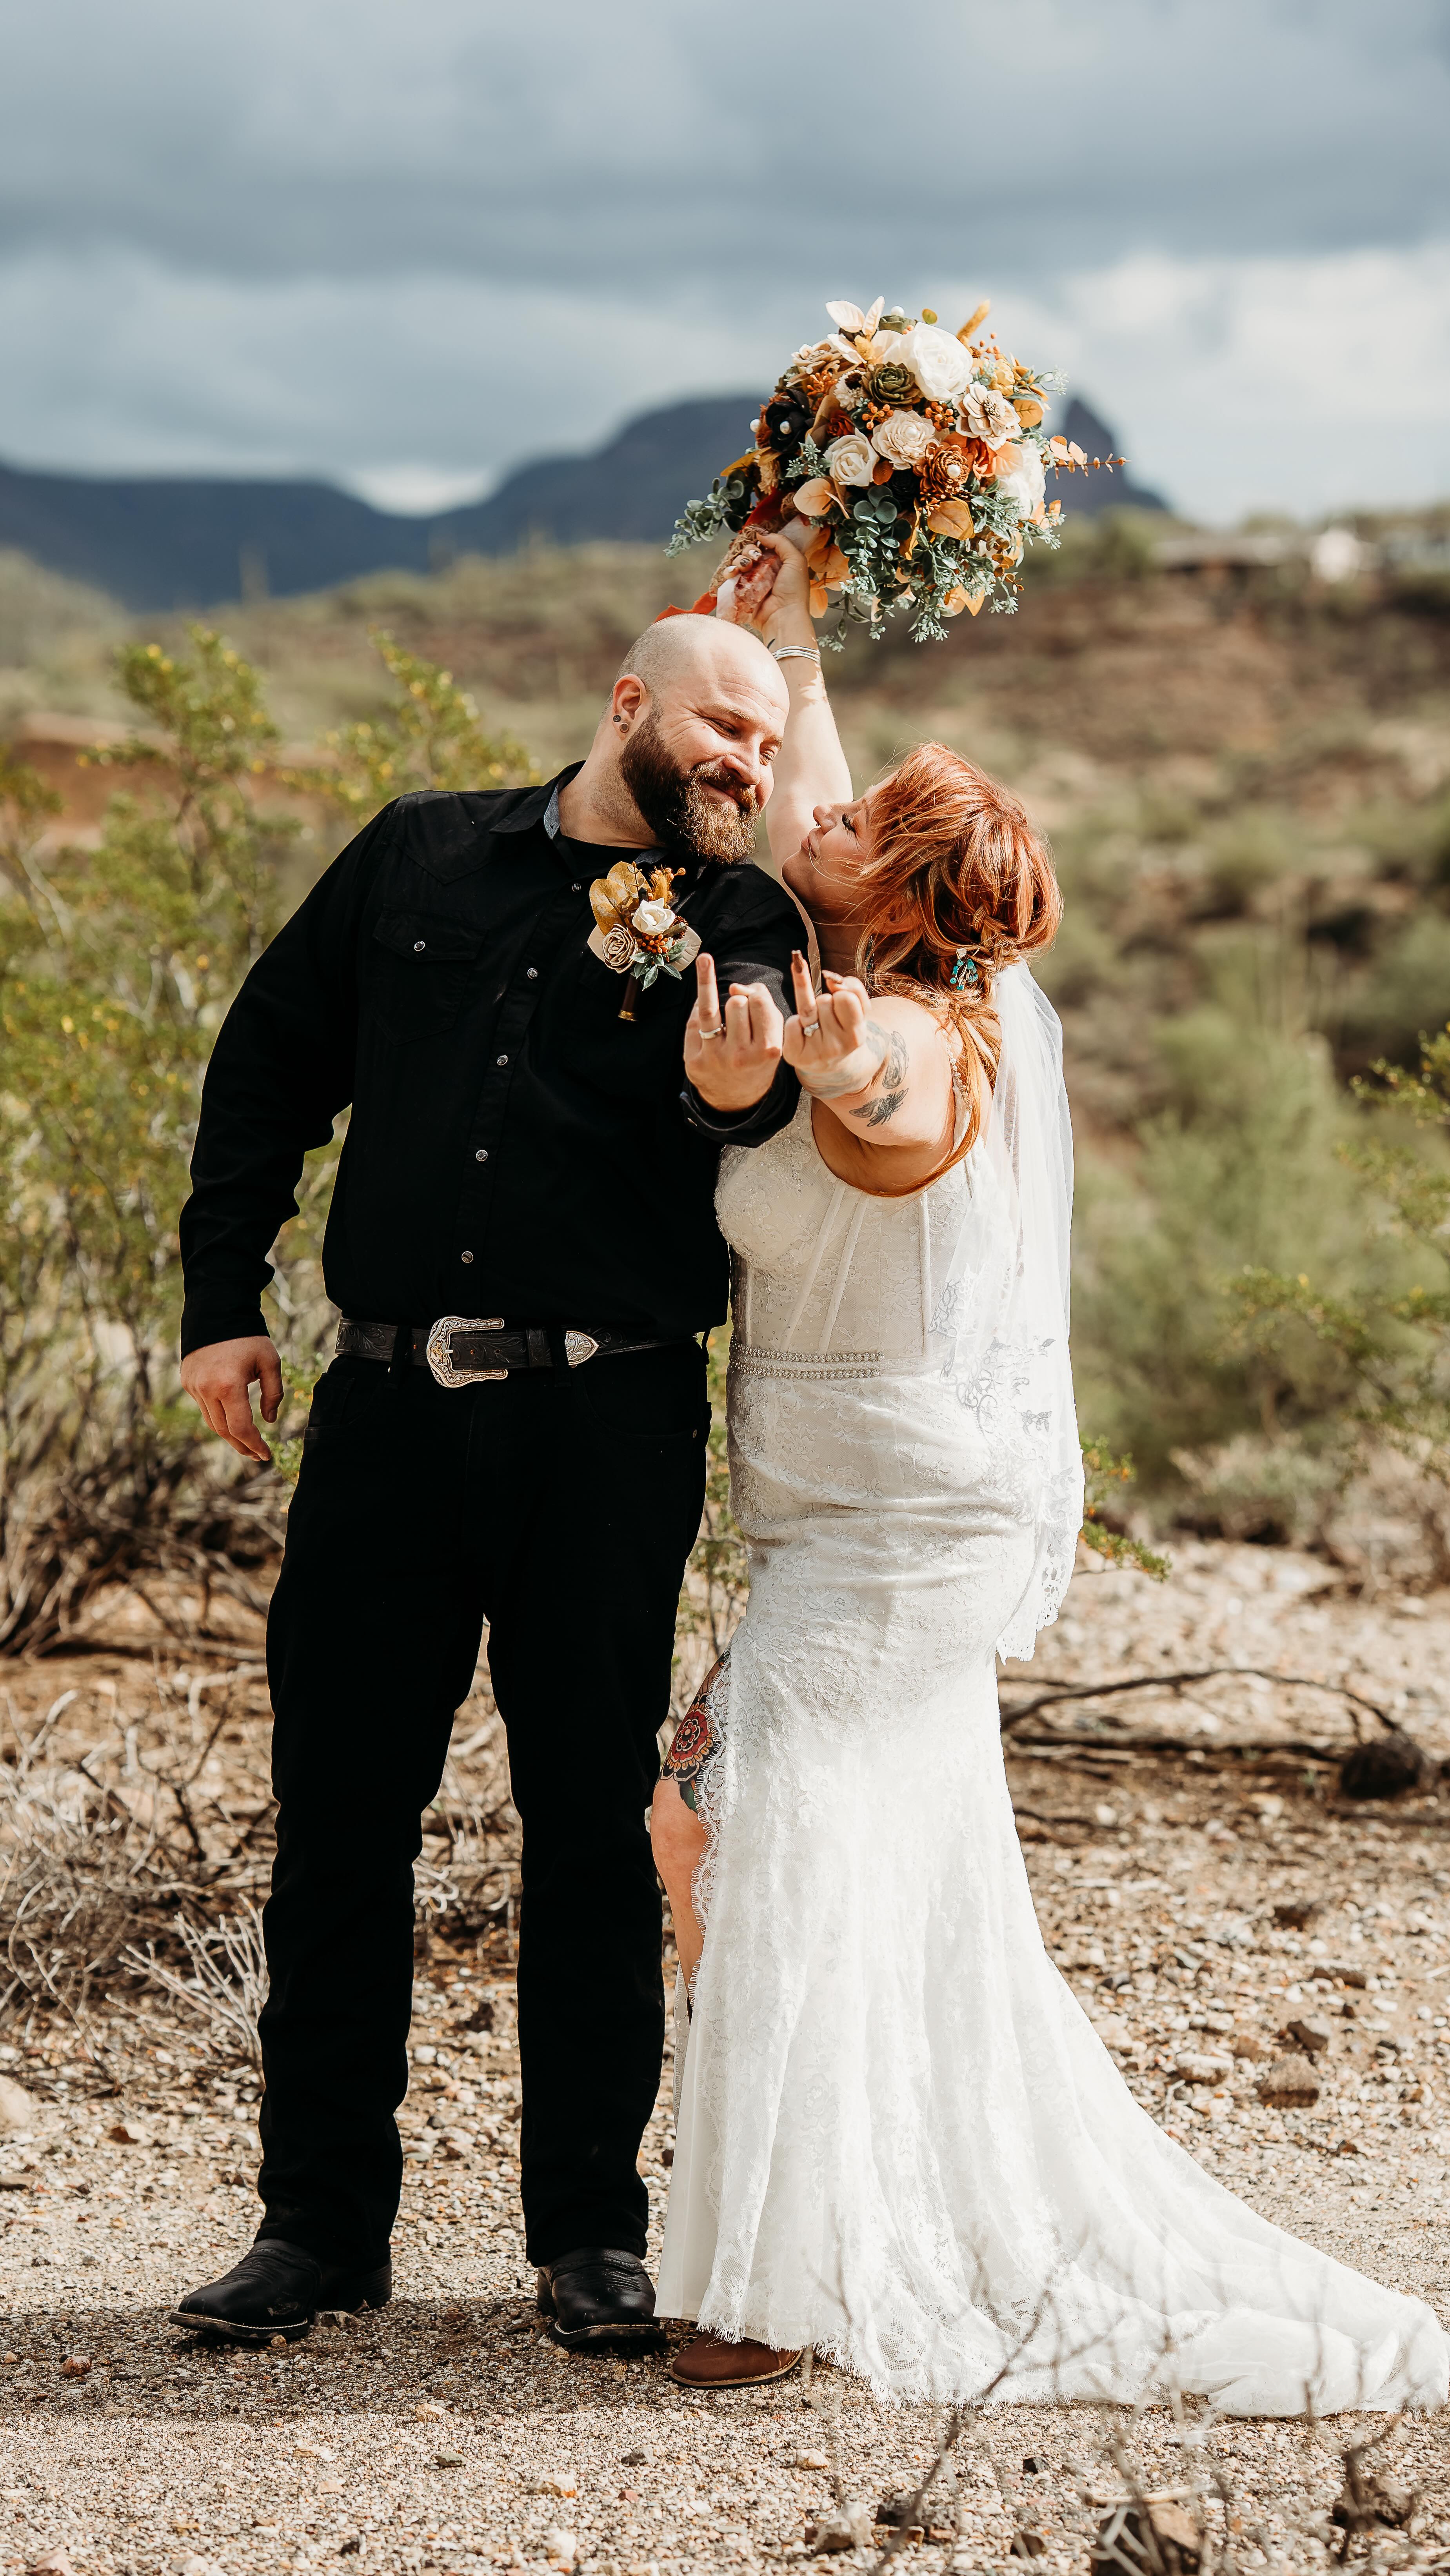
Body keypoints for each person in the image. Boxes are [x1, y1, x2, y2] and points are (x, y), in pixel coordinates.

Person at [649, 534, 1450, 2414]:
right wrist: (788, 627)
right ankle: (818, 2222)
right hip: (849, 1513)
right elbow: (823, 803)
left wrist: (835, 1077)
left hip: (898, 1530)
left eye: (860, 830)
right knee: (797, 1839)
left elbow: (893, 1115)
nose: (809, 821)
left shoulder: (919, 1035)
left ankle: (777, 2273)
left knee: (742, 1816)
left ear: (906, 907)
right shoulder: (890, 949)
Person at [172, 613, 827, 2348]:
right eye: (722, 728)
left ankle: (588, 2238)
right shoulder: (414, 850)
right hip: (384, 1412)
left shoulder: (740, 922)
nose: (745, 767)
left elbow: (762, 1136)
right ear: (628, 707)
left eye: (767, 747)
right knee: (338, 1822)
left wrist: (725, 1100)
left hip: (606, 1427)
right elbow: (267, 1064)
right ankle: (316, 2230)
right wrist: (218, 1302)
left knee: (594, 1830)